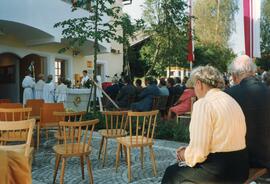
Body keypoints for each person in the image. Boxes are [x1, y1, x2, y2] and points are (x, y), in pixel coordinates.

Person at [162, 66, 249, 183]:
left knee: (171, 173)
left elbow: (198, 154)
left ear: (199, 83)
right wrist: (189, 150)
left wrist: (184, 154)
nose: (194, 90)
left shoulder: (203, 104)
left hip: (221, 171)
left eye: (193, 86)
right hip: (241, 167)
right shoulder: (231, 100)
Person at [225, 55, 270, 169]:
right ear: (254, 71)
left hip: (243, 159)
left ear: (234, 76)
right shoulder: (267, 91)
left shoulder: (229, 95)